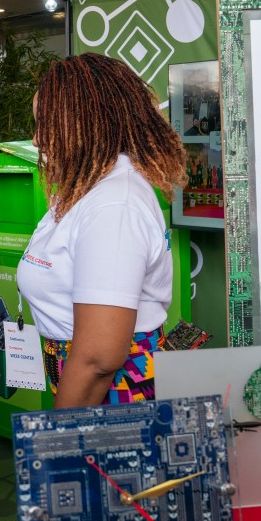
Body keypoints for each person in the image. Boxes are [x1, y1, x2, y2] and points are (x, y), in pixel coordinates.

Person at [18, 53, 187, 408]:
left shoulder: (115, 206)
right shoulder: (90, 189)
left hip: (112, 394)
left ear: (83, 122)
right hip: (85, 384)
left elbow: (98, 359)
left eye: (44, 125)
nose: (35, 140)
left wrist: (61, 436)